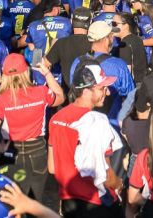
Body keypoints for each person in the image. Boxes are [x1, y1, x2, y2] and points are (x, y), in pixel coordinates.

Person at [0, 53, 64, 199]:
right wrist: (47, 73)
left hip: (12, 153)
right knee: (35, 201)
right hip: (38, 151)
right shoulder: (41, 92)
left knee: (12, 202)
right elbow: (60, 96)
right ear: (27, 71)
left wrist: (0, 149)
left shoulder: (1, 99)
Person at [49, 63, 124, 217]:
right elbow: (107, 175)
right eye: (102, 88)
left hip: (69, 202)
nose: (107, 93)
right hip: (96, 202)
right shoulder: (97, 121)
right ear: (86, 91)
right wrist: (119, 184)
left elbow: (52, 168)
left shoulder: (56, 118)